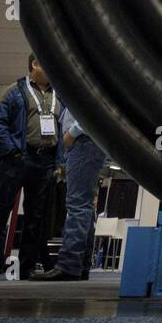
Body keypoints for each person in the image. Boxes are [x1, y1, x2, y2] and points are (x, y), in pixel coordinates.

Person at [0, 55, 63, 281]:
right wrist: (10, 151)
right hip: (18, 158)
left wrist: (60, 161)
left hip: (45, 161)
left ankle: (28, 267)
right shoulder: (15, 90)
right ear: (34, 64)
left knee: (36, 217)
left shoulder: (58, 94)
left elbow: (60, 126)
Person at [33, 102, 108, 281]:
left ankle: (69, 264)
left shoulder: (87, 77)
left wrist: (72, 133)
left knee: (78, 204)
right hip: (87, 142)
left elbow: (93, 107)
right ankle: (80, 265)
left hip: (83, 141)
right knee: (85, 205)